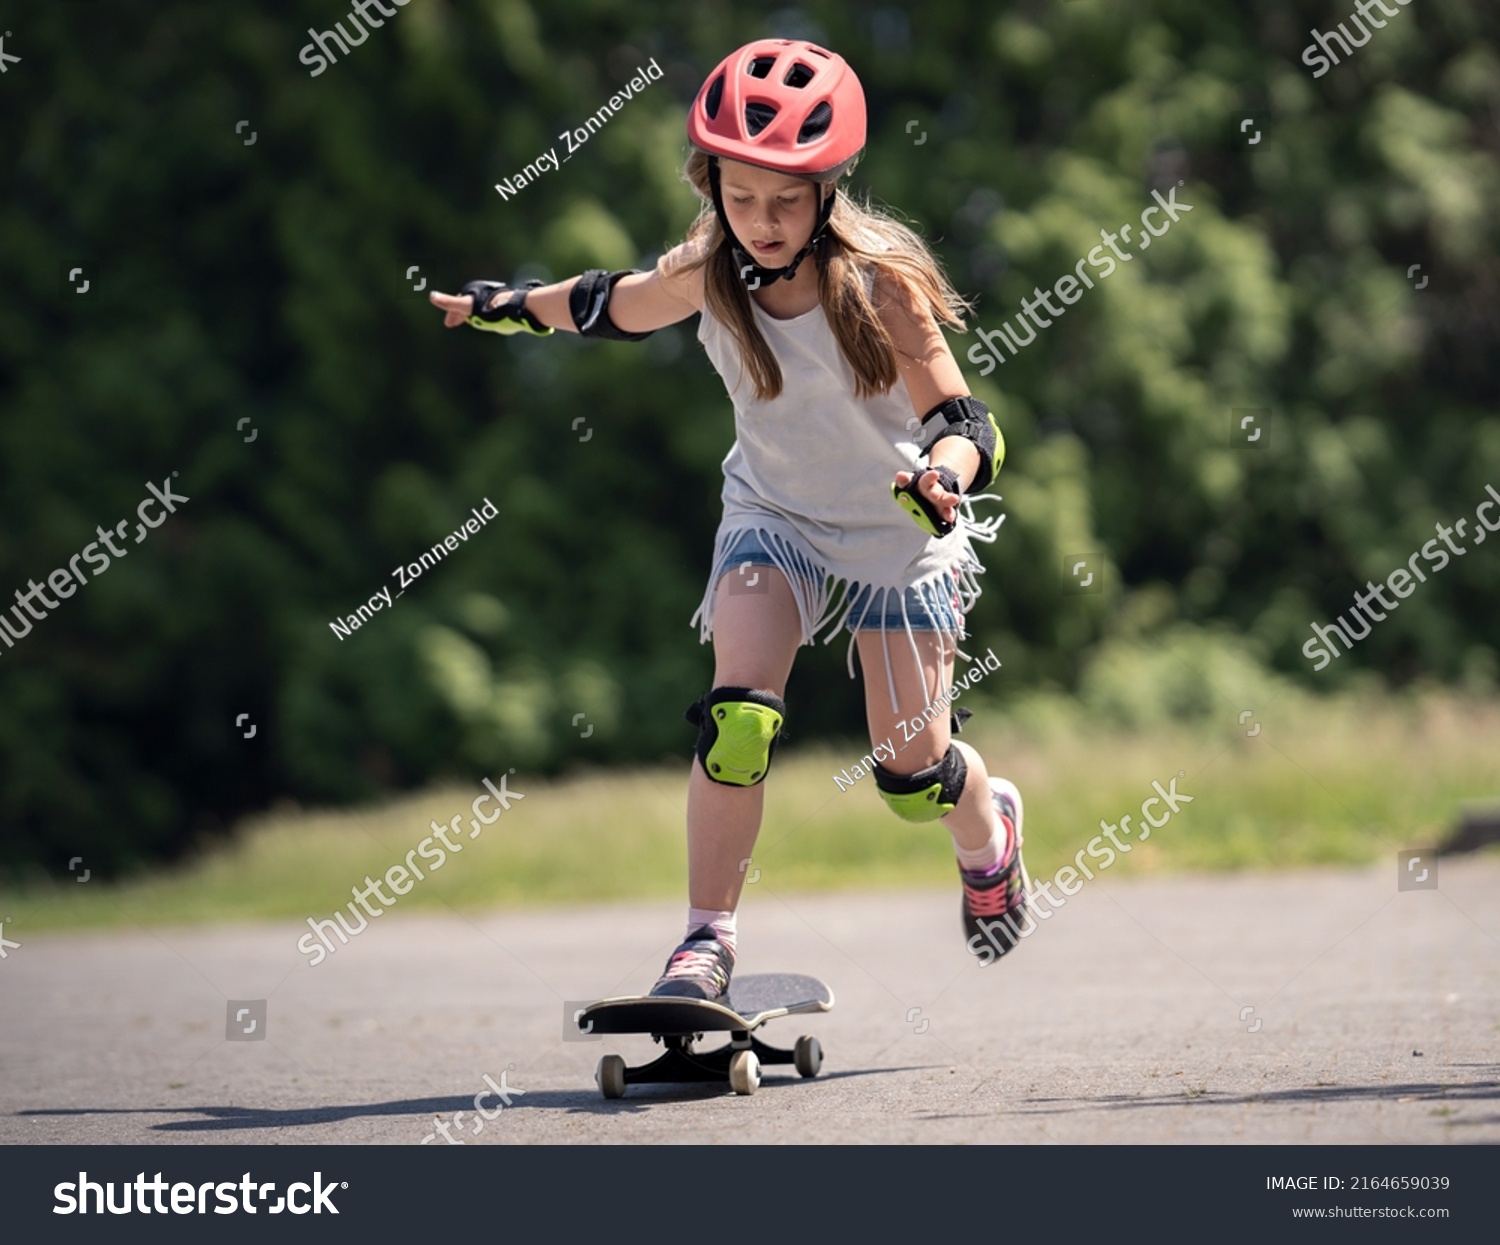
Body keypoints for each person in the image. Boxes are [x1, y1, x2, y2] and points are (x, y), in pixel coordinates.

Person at [430, 38, 1029, 999]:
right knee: (738, 716)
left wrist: (945, 479)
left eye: (786, 199)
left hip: (899, 532)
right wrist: (508, 306)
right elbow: (607, 306)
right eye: (739, 198)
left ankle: (989, 833)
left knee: (910, 777)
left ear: (829, 191)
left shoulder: (881, 286)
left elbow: (969, 423)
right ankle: (705, 941)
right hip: (774, 513)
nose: (762, 221)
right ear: (711, 186)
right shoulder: (709, 269)